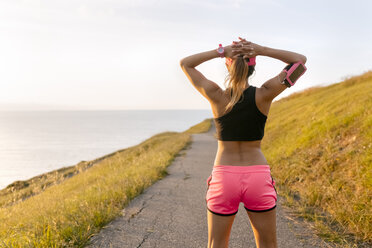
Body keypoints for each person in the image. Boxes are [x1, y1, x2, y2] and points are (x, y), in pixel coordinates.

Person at [179, 37, 307, 248]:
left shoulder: (215, 95)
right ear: (253, 67)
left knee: (216, 244)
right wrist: (261, 49)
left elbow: (186, 63)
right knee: (268, 244)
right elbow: (300, 62)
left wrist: (222, 51)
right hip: (257, 175)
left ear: (228, 65)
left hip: (224, 176)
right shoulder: (265, 93)